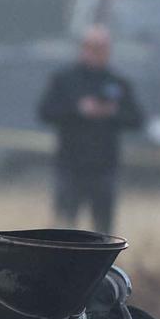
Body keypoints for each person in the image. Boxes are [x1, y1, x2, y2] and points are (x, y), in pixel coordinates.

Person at [37, 26, 144, 234]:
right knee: (65, 225)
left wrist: (112, 112)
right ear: (83, 48)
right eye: (93, 47)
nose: (97, 52)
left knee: (103, 228)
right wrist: (78, 110)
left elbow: (137, 119)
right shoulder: (64, 80)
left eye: (102, 48)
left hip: (104, 166)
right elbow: (45, 112)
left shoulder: (118, 82)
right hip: (70, 164)